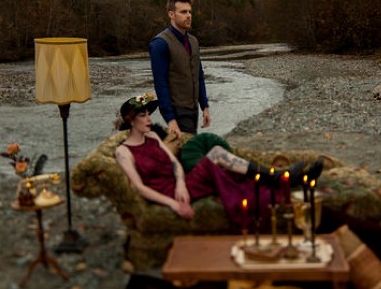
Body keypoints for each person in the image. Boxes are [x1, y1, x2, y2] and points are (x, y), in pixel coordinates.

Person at [112, 94, 279, 222]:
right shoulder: (123, 152)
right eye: (143, 115)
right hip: (168, 194)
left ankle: (273, 176)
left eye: (149, 114)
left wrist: (181, 184)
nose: (149, 119)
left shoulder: (153, 136)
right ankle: (274, 177)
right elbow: (139, 187)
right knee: (217, 157)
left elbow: (174, 163)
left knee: (217, 153)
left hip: (181, 185)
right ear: (131, 120)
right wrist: (174, 204)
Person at [149, 0, 210, 139]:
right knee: (189, 152)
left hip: (193, 107)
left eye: (189, 12)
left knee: (188, 150)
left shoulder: (193, 41)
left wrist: (205, 106)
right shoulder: (160, 44)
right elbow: (160, 83)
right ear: (171, 14)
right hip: (177, 109)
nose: (188, 15)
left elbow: (199, 75)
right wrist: (170, 119)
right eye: (183, 12)